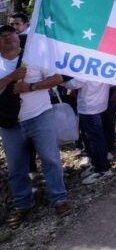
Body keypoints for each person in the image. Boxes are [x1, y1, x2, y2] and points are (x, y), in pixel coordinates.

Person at [0, 25, 71, 227]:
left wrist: (30, 87)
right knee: (16, 168)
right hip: (10, 124)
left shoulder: (35, 56)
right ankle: (22, 205)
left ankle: (59, 199)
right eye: (2, 36)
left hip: (40, 116)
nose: (7, 38)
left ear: (17, 36)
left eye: (11, 33)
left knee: (51, 160)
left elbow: (57, 78)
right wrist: (10, 78)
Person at [64, 76, 114, 184]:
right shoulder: (101, 62)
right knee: (95, 137)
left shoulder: (85, 69)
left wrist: (59, 80)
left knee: (96, 139)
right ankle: (97, 164)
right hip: (100, 103)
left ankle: (103, 169)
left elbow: (73, 84)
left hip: (89, 107)